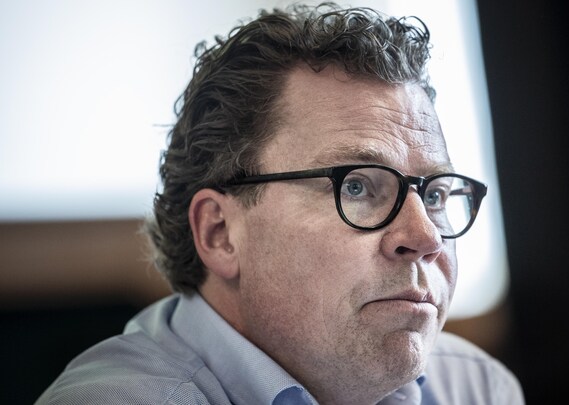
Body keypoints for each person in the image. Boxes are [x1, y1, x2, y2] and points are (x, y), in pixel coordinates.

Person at [37, 3, 523, 404]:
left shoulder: (476, 388)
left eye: (434, 194)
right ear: (220, 233)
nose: (426, 237)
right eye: (356, 186)